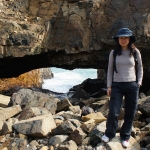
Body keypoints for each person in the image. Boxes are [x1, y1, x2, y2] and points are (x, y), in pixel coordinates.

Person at [101, 28, 143, 148]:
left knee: (130, 112)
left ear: (129, 39)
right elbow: (109, 70)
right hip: (117, 85)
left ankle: (125, 136)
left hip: (132, 85)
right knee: (113, 111)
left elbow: (140, 69)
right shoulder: (113, 53)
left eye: (125, 37)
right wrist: (109, 85)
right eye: (121, 37)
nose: (123, 40)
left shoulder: (135, 52)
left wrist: (138, 83)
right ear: (118, 39)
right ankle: (109, 134)